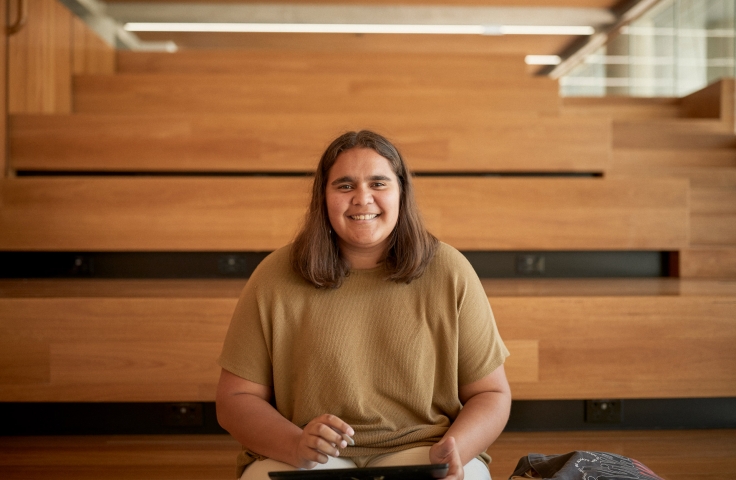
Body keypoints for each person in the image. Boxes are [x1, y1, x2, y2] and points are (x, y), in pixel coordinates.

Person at [216, 130, 511, 480]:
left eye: (378, 183)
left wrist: (455, 450)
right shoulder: (274, 276)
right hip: (305, 455)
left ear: (401, 192)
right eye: (344, 186)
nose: (362, 198)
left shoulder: (450, 270)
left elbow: (491, 393)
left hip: (423, 449)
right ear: (323, 198)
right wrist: (295, 443)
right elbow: (235, 399)